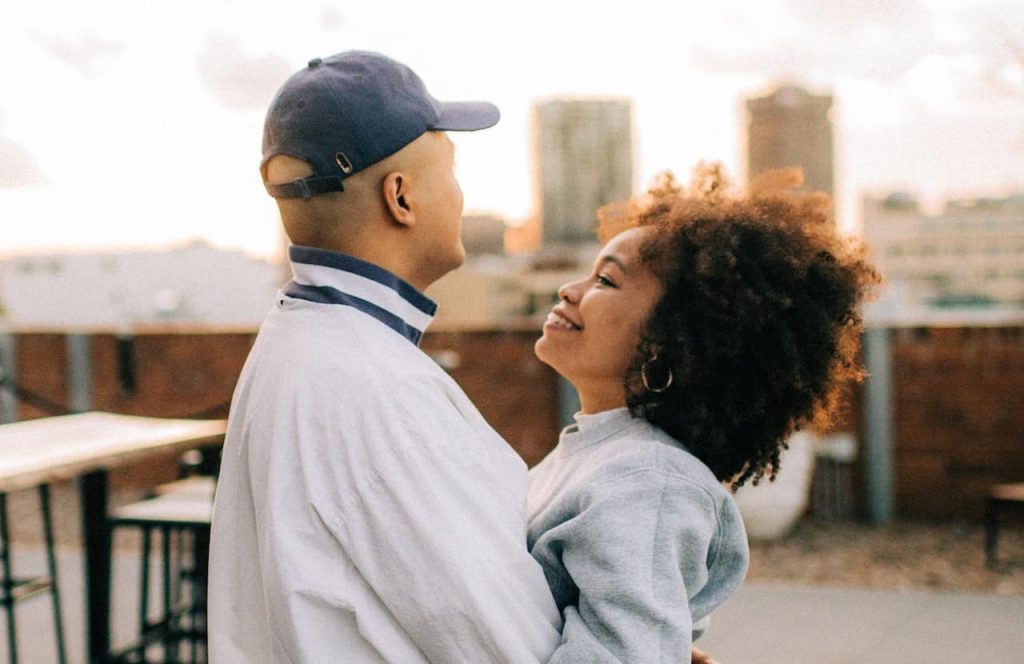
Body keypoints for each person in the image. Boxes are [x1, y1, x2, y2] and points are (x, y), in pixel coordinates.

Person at [208, 50, 562, 662]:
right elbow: (513, 646)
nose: (459, 193)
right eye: (450, 168)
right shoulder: (368, 385)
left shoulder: (304, 341)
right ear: (401, 197)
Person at [527, 164, 880, 662]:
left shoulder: (649, 482)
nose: (570, 289)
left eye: (605, 279)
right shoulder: (596, 452)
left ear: (667, 344)